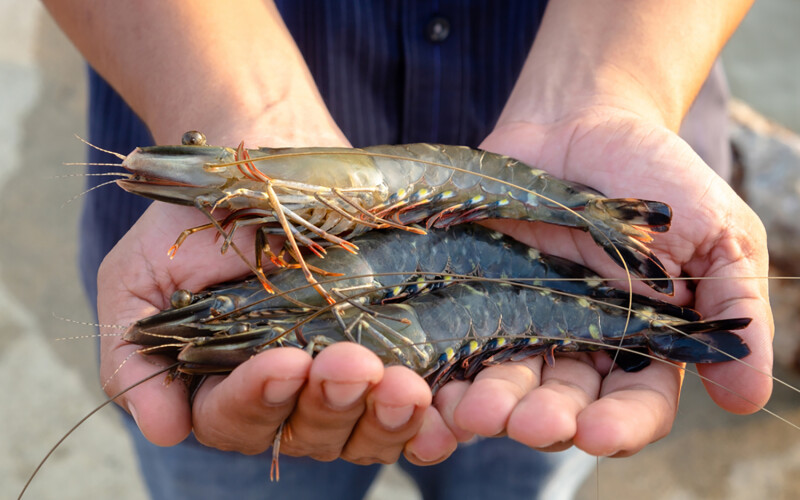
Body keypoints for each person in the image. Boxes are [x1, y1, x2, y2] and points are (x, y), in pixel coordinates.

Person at [45, 1, 772, 498]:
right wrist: (234, 108)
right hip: (192, 80)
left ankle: (643, 321)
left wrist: (617, 87)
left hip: (546, 329)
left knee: (530, 449)